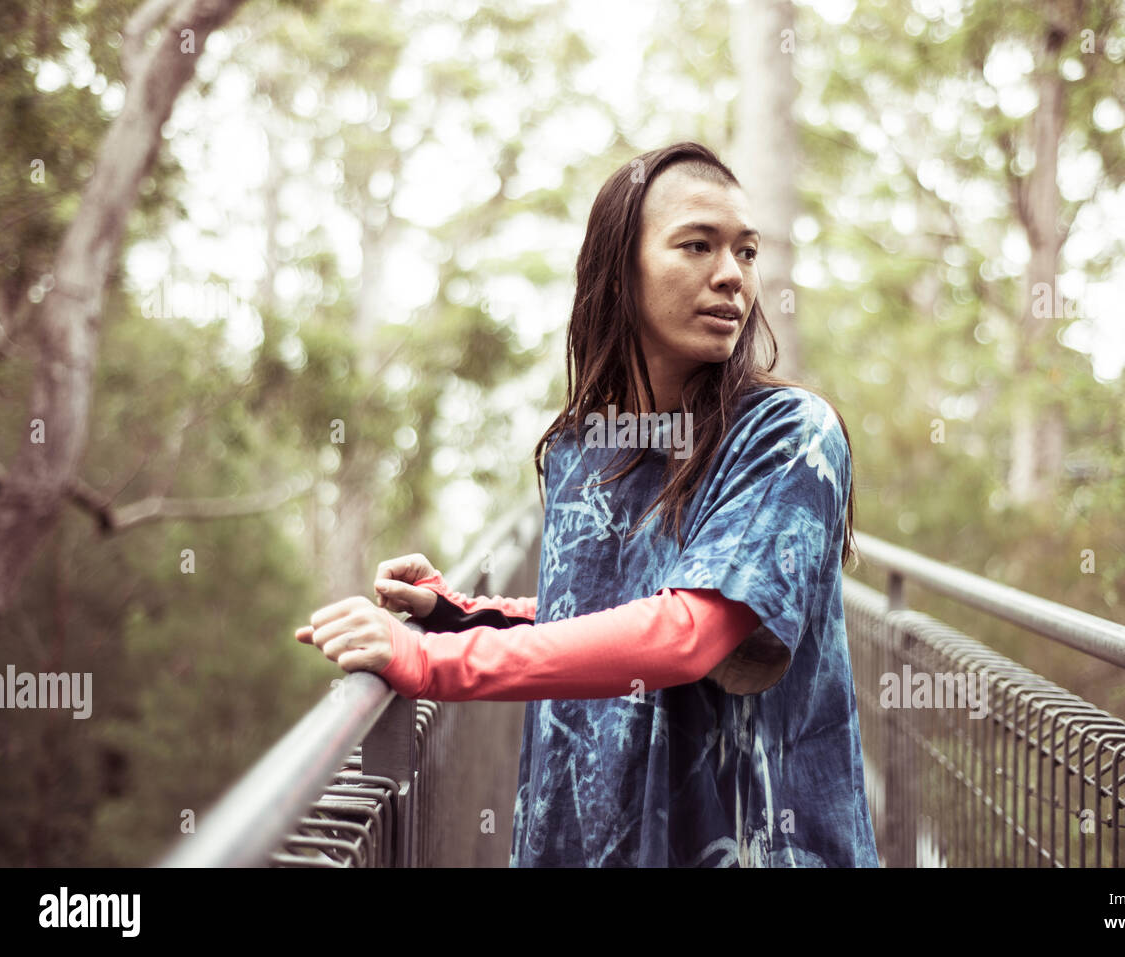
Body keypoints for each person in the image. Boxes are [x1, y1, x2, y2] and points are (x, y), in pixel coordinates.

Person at [295, 141, 879, 868]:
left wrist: (435, 661)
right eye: (697, 245)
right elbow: (607, 613)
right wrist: (463, 615)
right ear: (619, 269)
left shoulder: (789, 435)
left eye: (746, 251)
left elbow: (687, 632)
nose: (731, 275)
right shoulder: (585, 448)